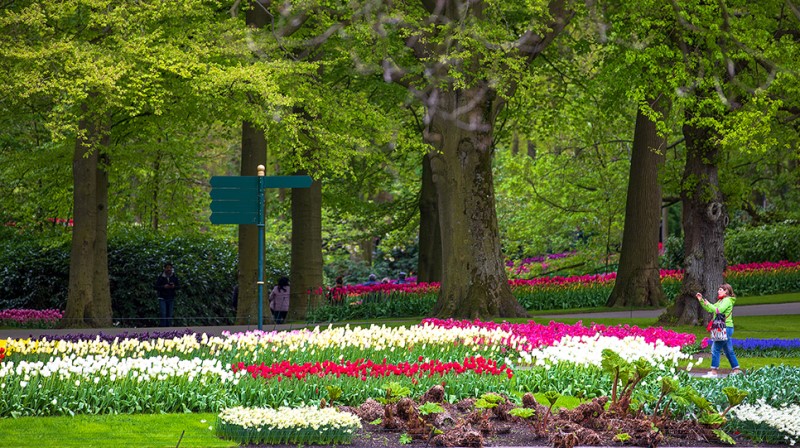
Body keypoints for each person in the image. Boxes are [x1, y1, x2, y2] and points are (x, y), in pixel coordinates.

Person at [696, 283, 741, 378]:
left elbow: (718, 310)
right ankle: (736, 370)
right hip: (725, 328)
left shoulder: (727, 300)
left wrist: (709, 304)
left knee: (715, 348)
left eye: (720, 289)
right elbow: (710, 309)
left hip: (724, 328)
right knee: (729, 350)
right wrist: (701, 301)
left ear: (726, 291)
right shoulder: (721, 301)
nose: (718, 291)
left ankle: (714, 372)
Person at [154, 262, 180, 327]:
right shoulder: (160, 277)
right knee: (163, 314)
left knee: (170, 314)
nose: (169, 269)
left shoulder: (174, 277)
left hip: (171, 298)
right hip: (162, 298)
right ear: (164, 269)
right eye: (167, 268)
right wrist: (164, 287)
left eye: (170, 268)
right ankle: (163, 329)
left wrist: (173, 286)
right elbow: (156, 287)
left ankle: (169, 329)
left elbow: (179, 286)